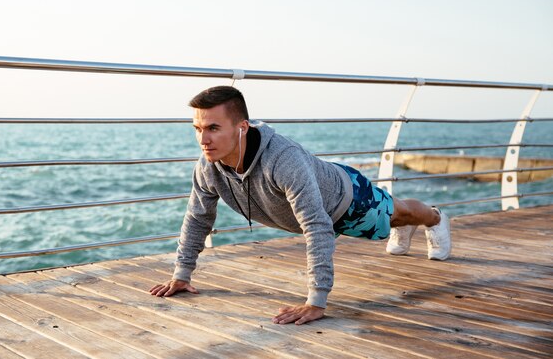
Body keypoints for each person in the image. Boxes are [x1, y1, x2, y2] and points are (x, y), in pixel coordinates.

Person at [149, 85, 451, 325]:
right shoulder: (208, 168)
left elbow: (317, 226)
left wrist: (316, 301)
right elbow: (197, 219)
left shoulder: (283, 159)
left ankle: (435, 218)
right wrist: (181, 275)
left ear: (242, 127)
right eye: (197, 128)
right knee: (394, 219)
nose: (203, 139)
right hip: (318, 185)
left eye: (213, 127)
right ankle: (408, 225)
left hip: (345, 200)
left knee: (399, 213)